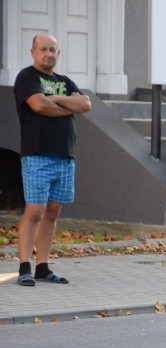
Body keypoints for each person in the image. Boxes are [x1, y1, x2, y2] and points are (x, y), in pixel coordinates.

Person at [14, 33, 91, 286]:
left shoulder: (64, 81)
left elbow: (85, 105)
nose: (48, 54)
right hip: (37, 155)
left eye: (53, 50)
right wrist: (68, 106)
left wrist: (55, 98)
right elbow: (38, 106)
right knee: (34, 211)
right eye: (43, 49)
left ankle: (43, 267)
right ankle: (25, 266)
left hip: (65, 157)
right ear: (33, 52)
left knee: (52, 213)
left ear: (58, 54)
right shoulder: (27, 77)